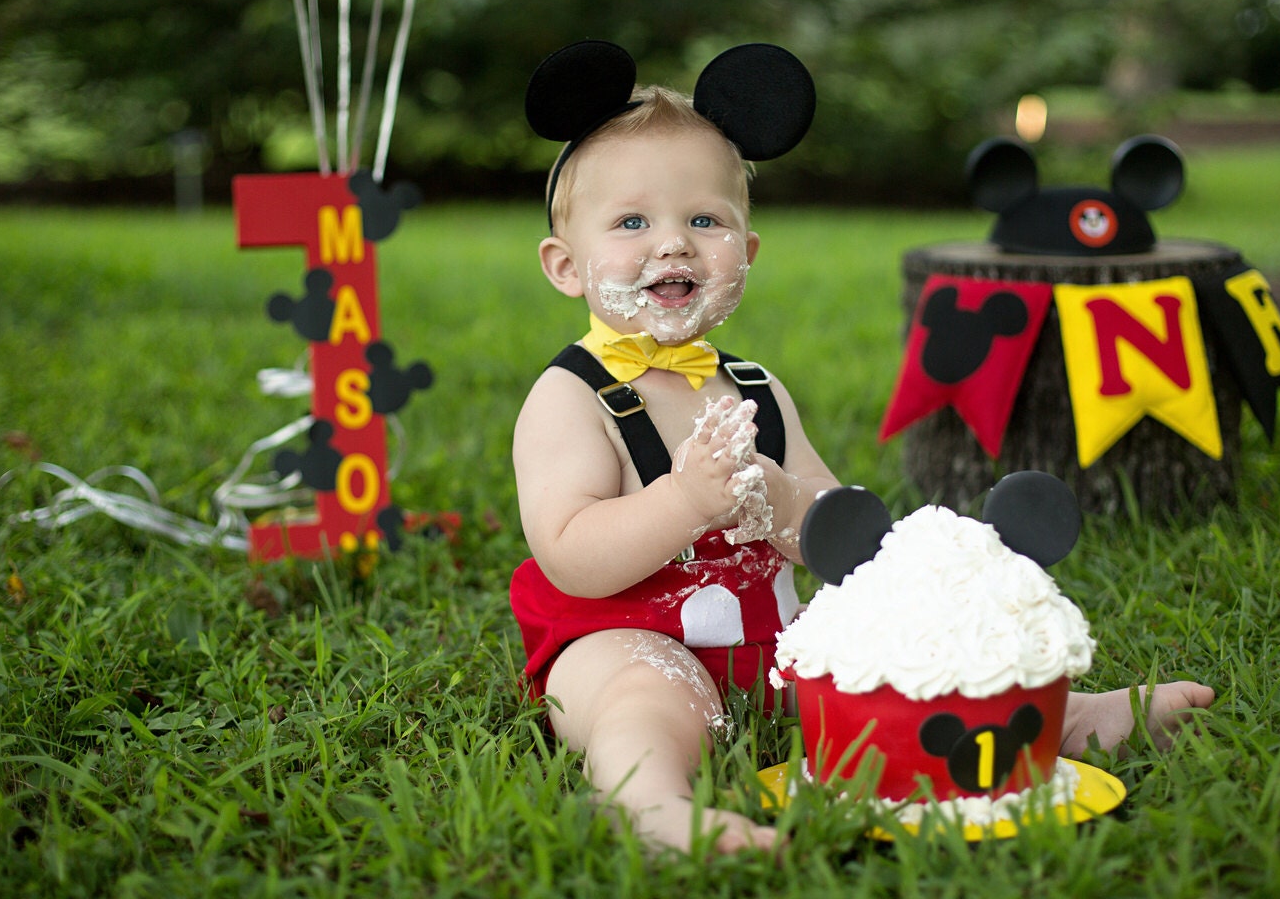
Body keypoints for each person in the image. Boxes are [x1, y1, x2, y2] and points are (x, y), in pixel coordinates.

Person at [510, 42, 1214, 854]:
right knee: (651, 697)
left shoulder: (755, 388)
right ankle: (655, 805)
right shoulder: (572, 396)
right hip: (622, 638)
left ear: (748, 249)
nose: (673, 245)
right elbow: (571, 558)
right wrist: (683, 500)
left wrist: (779, 501)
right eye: (633, 223)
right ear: (566, 267)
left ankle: (1056, 716)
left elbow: (840, 538)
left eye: (705, 220)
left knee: (883, 653)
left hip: (766, 638)